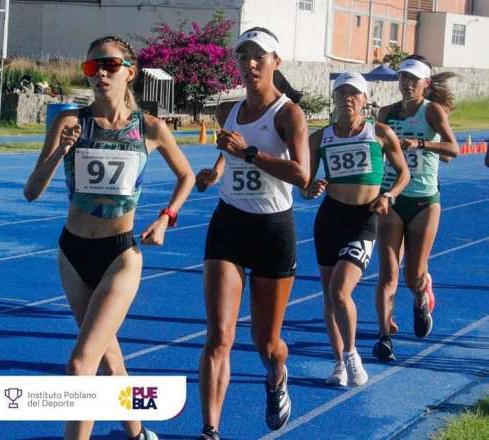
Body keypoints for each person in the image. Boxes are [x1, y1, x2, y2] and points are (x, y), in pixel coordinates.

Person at [24, 35, 194, 440]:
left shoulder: (149, 128)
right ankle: (139, 435)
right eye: (92, 66)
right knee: (108, 360)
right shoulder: (70, 123)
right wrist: (59, 153)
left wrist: (166, 217)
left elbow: (186, 175)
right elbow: (32, 191)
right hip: (73, 253)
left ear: (130, 72)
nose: (100, 73)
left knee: (81, 365)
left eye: (110, 65)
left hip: (120, 255)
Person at [195, 28, 310, 438]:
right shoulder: (228, 109)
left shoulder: (288, 114)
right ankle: (210, 429)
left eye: (259, 56)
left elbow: (301, 175)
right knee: (219, 335)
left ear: (276, 62)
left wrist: (248, 152)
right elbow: (227, 151)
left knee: (266, 342)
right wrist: (215, 173)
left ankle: (277, 374)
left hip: (272, 230)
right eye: (244, 56)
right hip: (228, 224)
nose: (251, 63)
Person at [303, 72, 409, 387]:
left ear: (365, 99)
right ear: (334, 98)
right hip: (330, 218)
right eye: (342, 93)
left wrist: (389, 196)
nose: (347, 98)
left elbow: (403, 173)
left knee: (340, 291)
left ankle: (351, 355)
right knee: (329, 298)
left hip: (363, 220)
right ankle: (338, 364)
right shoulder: (320, 138)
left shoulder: (380, 133)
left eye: (354, 93)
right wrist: (311, 187)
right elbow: (305, 185)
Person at [373, 56, 459, 361]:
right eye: (403, 78)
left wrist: (421, 145)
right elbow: (376, 151)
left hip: (424, 199)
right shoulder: (386, 113)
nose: (407, 84)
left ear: (426, 83)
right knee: (387, 273)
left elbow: (453, 148)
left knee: (413, 275)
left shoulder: (431, 111)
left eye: (413, 79)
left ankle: (422, 293)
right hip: (392, 196)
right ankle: (384, 337)